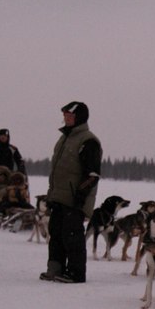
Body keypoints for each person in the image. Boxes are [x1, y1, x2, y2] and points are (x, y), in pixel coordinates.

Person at [40, 101, 101, 283]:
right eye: (65, 115)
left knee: (72, 237)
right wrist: (51, 195)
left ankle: (76, 273)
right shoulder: (64, 138)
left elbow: (92, 174)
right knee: (56, 234)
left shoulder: (88, 140)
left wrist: (79, 197)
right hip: (59, 197)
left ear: (79, 117)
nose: (66, 118)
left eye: (70, 116)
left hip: (75, 199)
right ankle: (55, 268)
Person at [0, 128, 25, 227]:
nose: (3, 138)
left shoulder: (13, 149)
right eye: (1, 136)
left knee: (12, 196)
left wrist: (19, 174)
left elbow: (20, 161)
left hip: (10, 177)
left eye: (5, 136)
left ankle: (14, 216)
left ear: (8, 137)